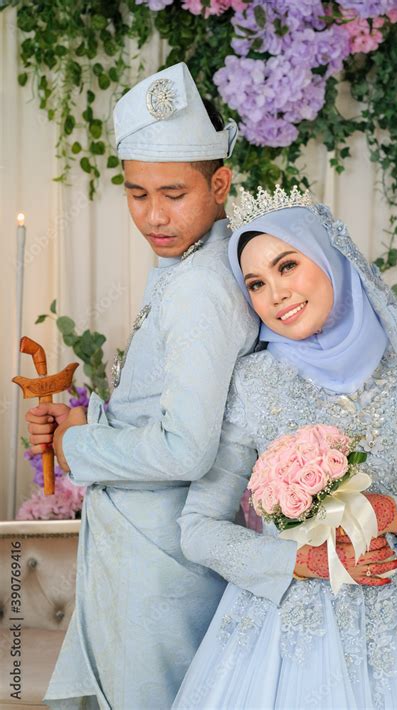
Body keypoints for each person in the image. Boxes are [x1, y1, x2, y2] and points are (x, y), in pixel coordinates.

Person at [172, 188, 397, 709]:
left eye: (287, 265)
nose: (276, 295)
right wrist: (303, 561)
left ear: (330, 257)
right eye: (257, 284)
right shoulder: (255, 383)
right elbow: (198, 528)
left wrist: (393, 513)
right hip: (287, 639)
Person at [25, 62, 259, 709]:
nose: (153, 214)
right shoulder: (186, 264)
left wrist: (78, 446)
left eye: (173, 193)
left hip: (159, 563)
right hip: (142, 548)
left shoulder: (200, 286)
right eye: (136, 193)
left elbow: (186, 449)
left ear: (219, 183)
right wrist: (81, 423)